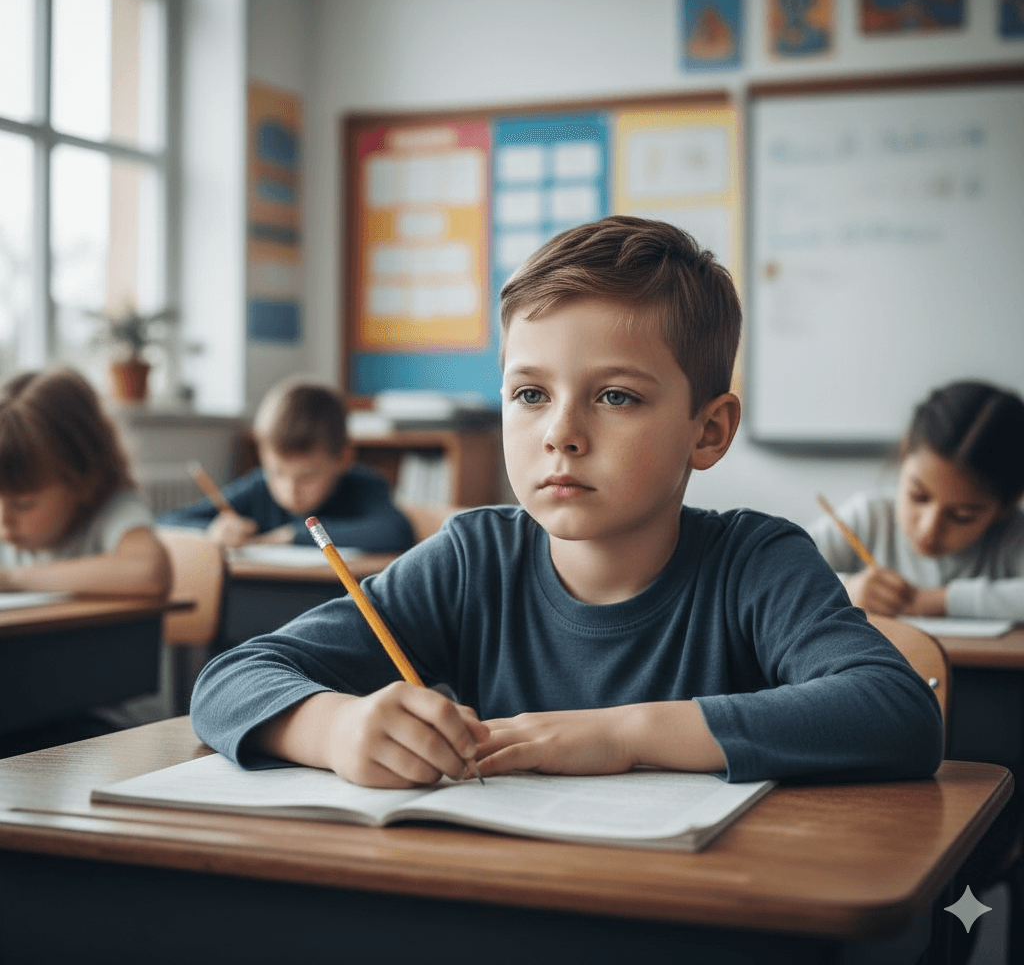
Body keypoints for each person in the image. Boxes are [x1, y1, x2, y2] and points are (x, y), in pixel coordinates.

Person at [190, 216, 943, 790]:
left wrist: (623, 736)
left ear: (707, 430)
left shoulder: (757, 563)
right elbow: (231, 680)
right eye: (530, 394)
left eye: (615, 396)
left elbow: (896, 712)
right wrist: (336, 728)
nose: (562, 434)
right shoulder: (474, 559)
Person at [810, 380, 1024, 620]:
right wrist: (846, 588)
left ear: (1006, 506)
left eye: (962, 515)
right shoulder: (868, 517)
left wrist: (938, 601)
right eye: (918, 497)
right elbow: (776, 570)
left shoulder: (1012, 534)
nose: (929, 528)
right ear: (904, 455)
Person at [160, 377, 414, 553]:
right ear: (262, 454)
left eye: (307, 477)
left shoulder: (363, 486)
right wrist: (213, 531)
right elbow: (168, 522)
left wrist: (292, 536)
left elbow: (395, 531)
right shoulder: (259, 489)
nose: (289, 490)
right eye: (277, 473)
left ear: (343, 459)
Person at [0, 367, 171, 599]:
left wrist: (12, 578)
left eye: (24, 504)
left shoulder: (114, 511)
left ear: (82, 478)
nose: (4, 523)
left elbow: (149, 573)